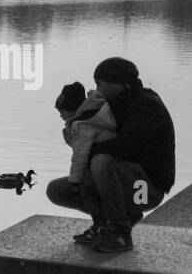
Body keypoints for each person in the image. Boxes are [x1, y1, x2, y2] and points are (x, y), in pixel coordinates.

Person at [45, 57, 175, 253]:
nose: (96, 88)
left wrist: (92, 150)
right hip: (126, 182)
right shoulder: (109, 105)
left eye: (99, 83)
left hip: (146, 190)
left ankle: (121, 233)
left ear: (118, 83)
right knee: (57, 190)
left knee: (100, 161)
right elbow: (87, 139)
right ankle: (104, 224)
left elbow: (128, 146)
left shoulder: (147, 104)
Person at [56, 82, 117, 188]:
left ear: (71, 108)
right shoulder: (93, 115)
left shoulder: (82, 126)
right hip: (107, 160)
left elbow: (80, 155)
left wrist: (74, 181)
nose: (60, 116)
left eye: (61, 112)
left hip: (103, 162)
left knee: (87, 186)